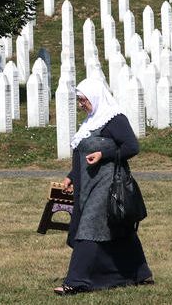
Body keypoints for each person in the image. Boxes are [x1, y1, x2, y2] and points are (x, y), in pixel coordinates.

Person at [54, 78, 153, 295]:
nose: (81, 104)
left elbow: (132, 146)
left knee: (88, 228)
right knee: (119, 229)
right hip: (87, 185)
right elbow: (82, 154)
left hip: (107, 185)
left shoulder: (114, 119)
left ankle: (76, 281)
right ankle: (138, 273)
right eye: (79, 100)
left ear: (96, 96)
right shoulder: (91, 121)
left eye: (83, 100)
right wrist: (71, 176)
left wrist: (104, 154)